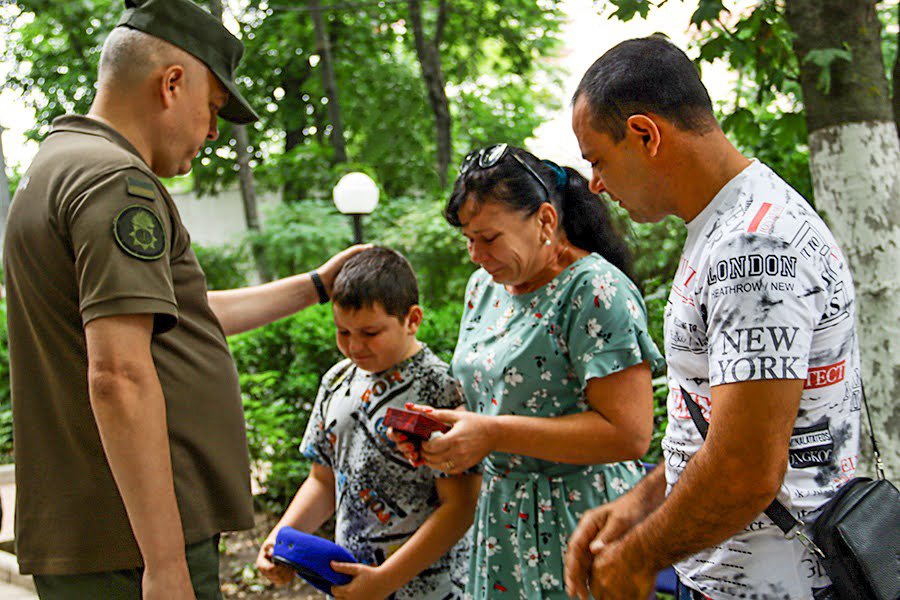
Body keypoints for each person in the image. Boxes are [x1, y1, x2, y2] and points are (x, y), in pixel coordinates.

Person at [2, 1, 365, 598]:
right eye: (213, 107)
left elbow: (178, 318)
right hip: (131, 545)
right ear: (172, 84)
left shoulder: (57, 164)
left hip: (101, 535)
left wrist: (314, 287)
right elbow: (118, 374)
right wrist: (165, 561)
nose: (214, 130)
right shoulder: (118, 184)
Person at [564, 37, 862, 600]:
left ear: (646, 134)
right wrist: (638, 506)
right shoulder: (730, 224)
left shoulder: (753, 250)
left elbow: (744, 467)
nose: (596, 185)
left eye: (598, 159)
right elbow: (711, 427)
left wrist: (635, 558)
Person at [392, 143, 665, 598]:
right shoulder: (485, 286)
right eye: (468, 239)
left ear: (544, 220)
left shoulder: (596, 290)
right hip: (502, 520)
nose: (476, 254)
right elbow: (496, 397)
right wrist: (450, 433)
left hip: (582, 520)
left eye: (489, 238)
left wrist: (493, 433)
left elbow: (630, 435)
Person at [255, 247, 480, 600]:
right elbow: (323, 480)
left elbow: (460, 505)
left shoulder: (440, 387)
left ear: (412, 319)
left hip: (431, 589)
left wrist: (385, 580)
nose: (354, 346)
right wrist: (280, 538)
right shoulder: (336, 381)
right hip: (352, 585)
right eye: (342, 332)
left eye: (370, 333)